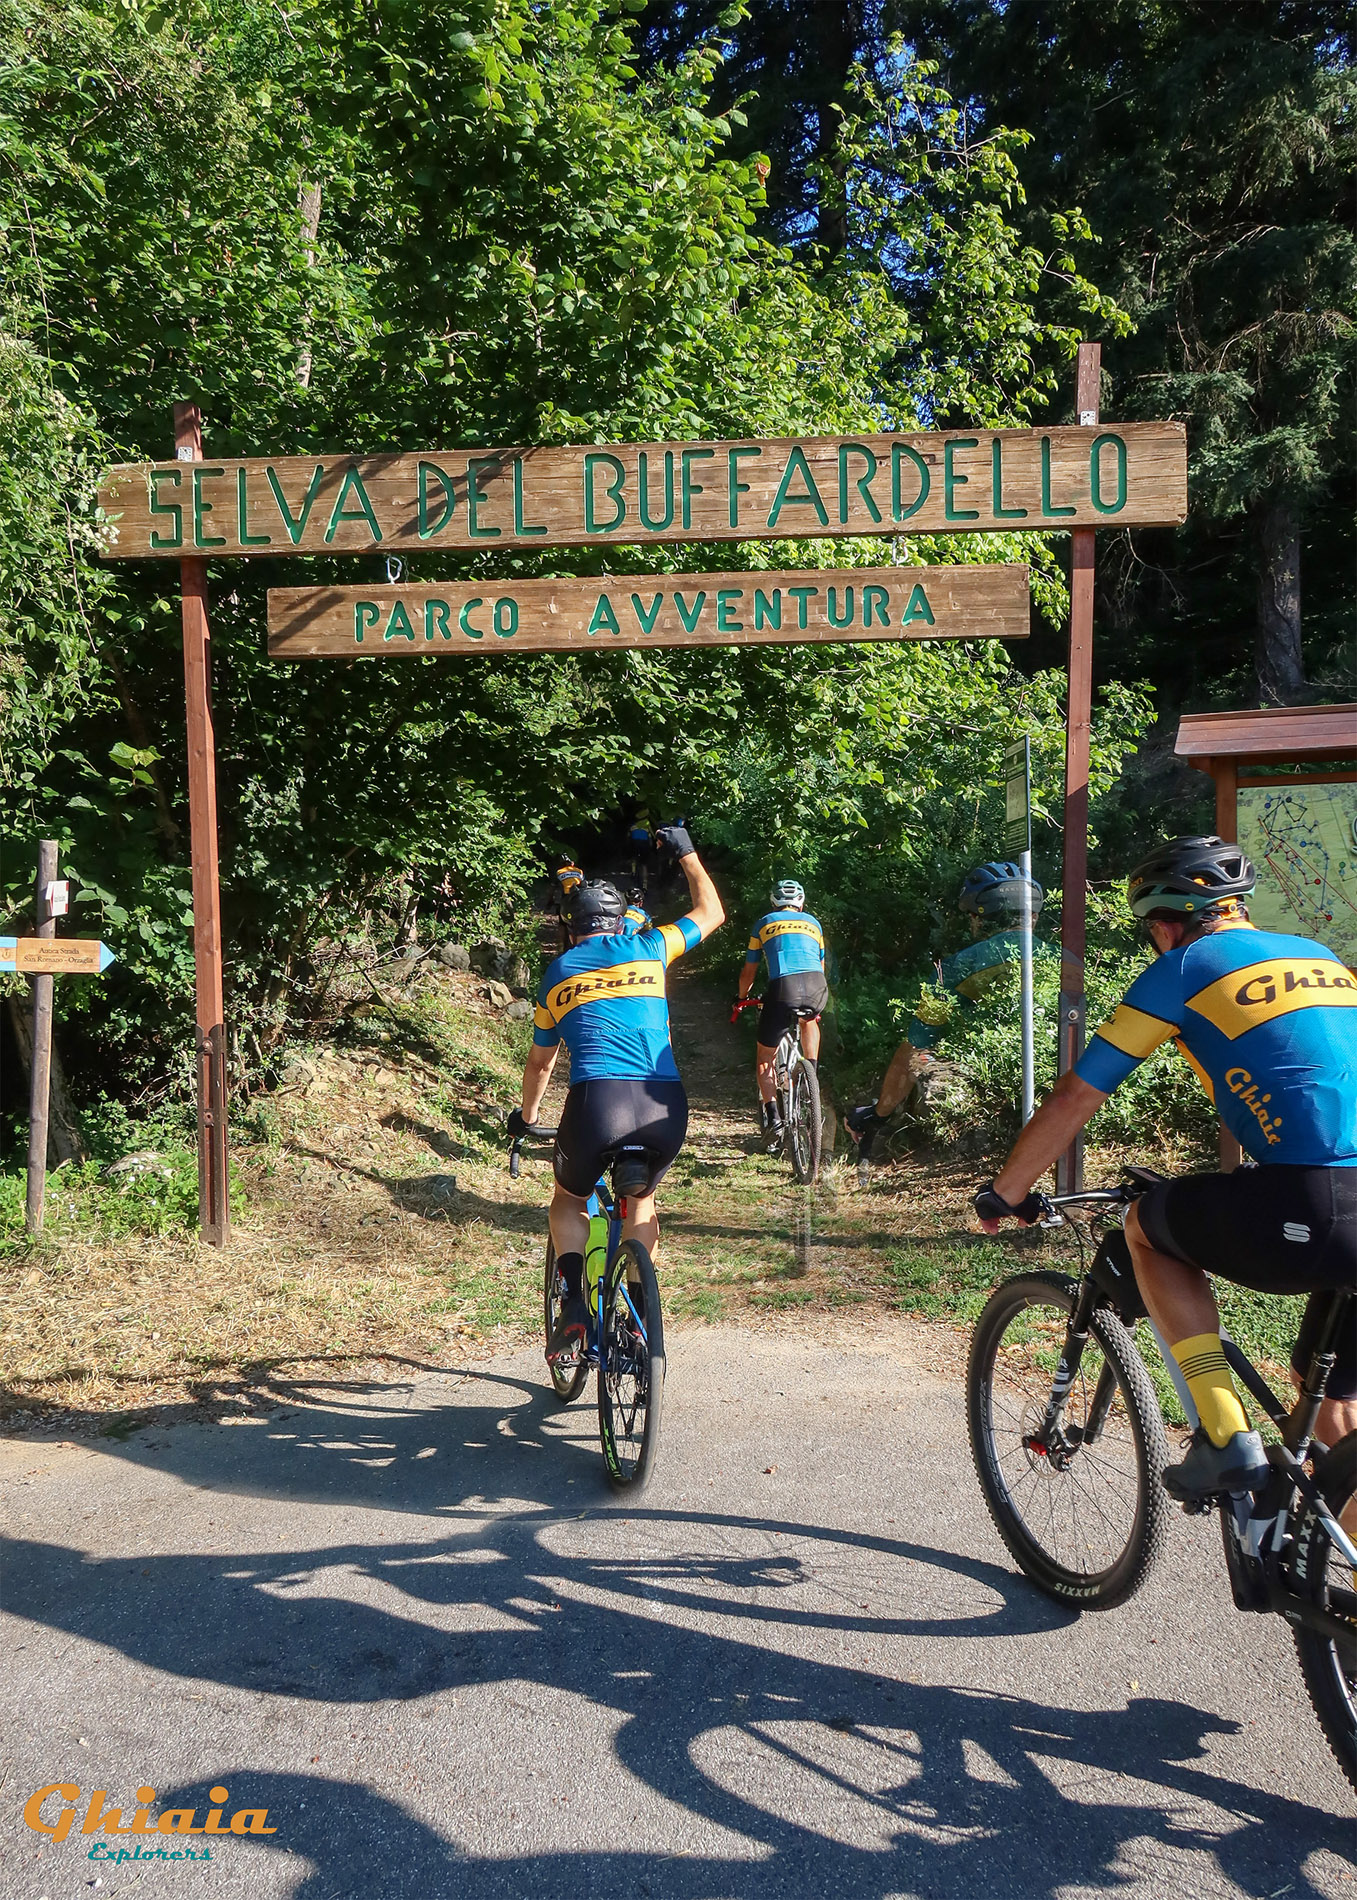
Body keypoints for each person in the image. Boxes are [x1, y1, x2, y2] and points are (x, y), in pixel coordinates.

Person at [974, 834, 1357, 1499]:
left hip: (1312, 1200)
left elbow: (1078, 1093)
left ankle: (1223, 1435)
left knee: (1145, 1227)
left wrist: (1006, 1193)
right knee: (1333, 1407)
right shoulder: (1319, 956)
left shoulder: (1184, 966)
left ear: (1162, 921)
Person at [511, 826, 725, 1360]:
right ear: (617, 919)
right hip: (663, 1106)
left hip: (595, 1107)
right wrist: (686, 853)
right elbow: (711, 913)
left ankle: (574, 1307)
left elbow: (542, 1061)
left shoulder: (557, 973)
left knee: (568, 1199)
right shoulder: (650, 946)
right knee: (642, 1201)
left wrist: (525, 1117)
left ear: (569, 924)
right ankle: (636, 1315)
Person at [849, 861, 1044, 1164]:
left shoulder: (956, 967)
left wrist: (879, 1113)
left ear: (987, 914)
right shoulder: (1065, 959)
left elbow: (916, 1046)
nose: (971, 923)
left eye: (972, 915)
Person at [737, 878, 827, 1146]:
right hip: (816, 985)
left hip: (782, 987)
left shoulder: (764, 923)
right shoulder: (814, 923)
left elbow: (749, 972)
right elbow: (819, 964)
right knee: (810, 1020)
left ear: (774, 901)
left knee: (765, 1058)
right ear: (801, 902)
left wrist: (740, 998)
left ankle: (774, 1118)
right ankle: (811, 1073)